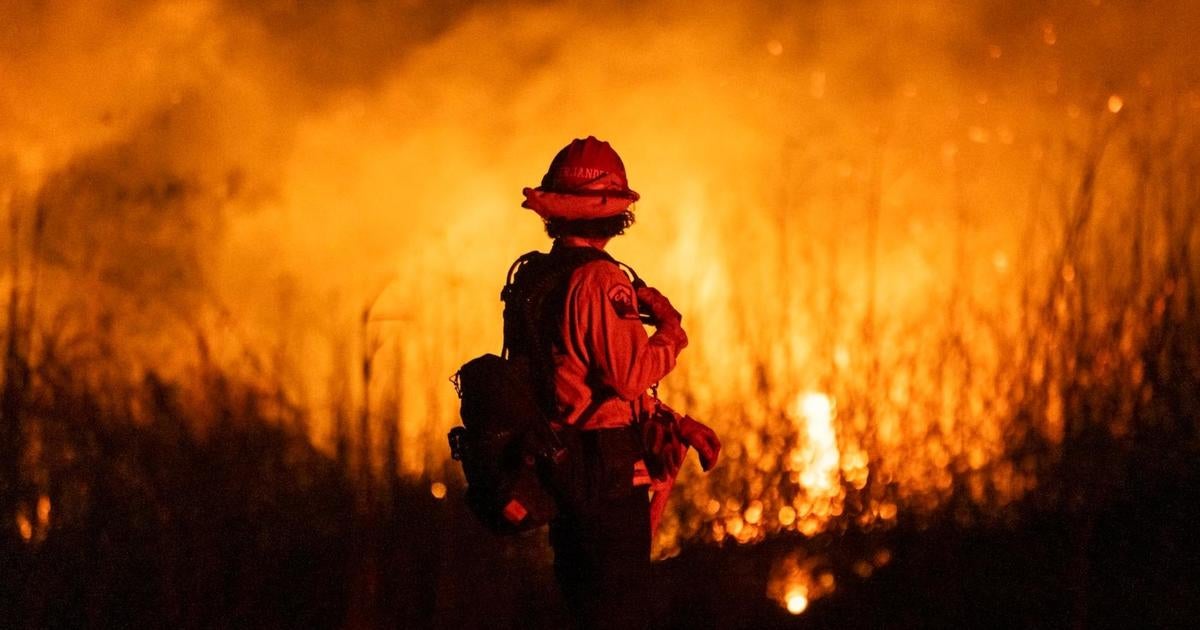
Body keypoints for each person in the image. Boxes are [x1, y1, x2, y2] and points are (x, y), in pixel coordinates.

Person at [507, 136, 721, 629]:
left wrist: (673, 424)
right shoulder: (601, 281)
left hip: (560, 467)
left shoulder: (535, 275)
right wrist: (670, 329)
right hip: (603, 475)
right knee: (619, 612)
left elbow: (569, 375)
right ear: (613, 210)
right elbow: (628, 378)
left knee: (588, 608)